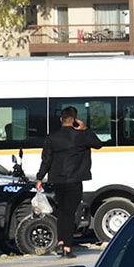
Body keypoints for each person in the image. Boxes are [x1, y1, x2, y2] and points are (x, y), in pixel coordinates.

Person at [36, 105, 101, 258]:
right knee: (69, 213)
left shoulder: (52, 137)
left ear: (61, 119)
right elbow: (98, 144)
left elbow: (46, 160)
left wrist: (39, 178)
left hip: (58, 180)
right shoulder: (81, 136)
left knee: (62, 212)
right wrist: (85, 129)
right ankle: (67, 247)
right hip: (74, 180)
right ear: (74, 120)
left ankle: (61, 243)